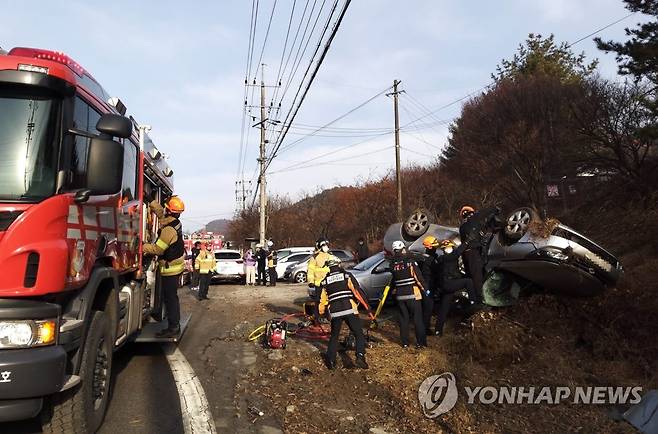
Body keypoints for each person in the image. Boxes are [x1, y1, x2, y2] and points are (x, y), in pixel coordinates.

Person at [143, 195, 186, 338]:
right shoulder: (174, 222)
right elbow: (161, 215)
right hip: (174, 266)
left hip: (170, 269)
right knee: (171, 297)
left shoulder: (168, 231)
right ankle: (174, 324)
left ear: (169, 210)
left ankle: (174, 327)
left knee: (170, 298)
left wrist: (141, 246)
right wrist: (151, 201)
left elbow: (158, 250)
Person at [318, 256, 368, 370]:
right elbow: (357, 292)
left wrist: (321, 313)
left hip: (335, 312)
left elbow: (322, 300)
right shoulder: (347, 276)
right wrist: (367, 307)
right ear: (338, 265)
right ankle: (360, 356)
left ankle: (331, 361)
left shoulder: (325, 281)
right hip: (350, 309)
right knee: (358, 334)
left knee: (334, 336)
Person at [458, 205, 503, 302]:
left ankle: (475, 298)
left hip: (467, 254)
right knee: (477, 277)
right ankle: (480, 300)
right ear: (470, 212)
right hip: (473, 253)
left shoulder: (463, 226)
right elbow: (484, 212)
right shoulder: (473, 218)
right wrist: (495, 208)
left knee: (473, 276)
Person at [434, 239, 479, 336]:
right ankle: (473, 302)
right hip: (450, 284)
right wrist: (466, 243)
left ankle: (438, 331)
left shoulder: (441, 259)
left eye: (449, 247)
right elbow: (458, 252)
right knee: (468, 282)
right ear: (444, 249)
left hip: (446, 286)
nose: (448, 249)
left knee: (444, 309)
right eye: (447, 248)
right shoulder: (449, 257)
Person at [390, 240, 427, 348]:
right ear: (402, 249)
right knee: (417, 320)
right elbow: (418, 278)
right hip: (413, 294)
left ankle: (405, 343)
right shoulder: (410, 262)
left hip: (400, 297)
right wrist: (426, 290)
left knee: (403, 320)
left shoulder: (392, 265)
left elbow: (393, 280)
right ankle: (421, 343)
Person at [420, 235, 441, 335]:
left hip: (430, 285)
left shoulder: (428, 258)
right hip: (428, 286)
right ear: (429, 247)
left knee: (428, 308)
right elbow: (434, 272)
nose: (436, 249)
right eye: (434, 247)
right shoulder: (428, 260)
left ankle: (425, 327)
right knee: (427, 308)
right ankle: (424, 329)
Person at [308, 238, 331, 321]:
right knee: (318, 301)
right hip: (319, 284)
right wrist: (311, 281)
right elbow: (310, 271)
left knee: (329, 301)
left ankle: (328, 317)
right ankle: (318, 318)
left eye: (326, 245)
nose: (326, 247)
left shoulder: (329, 256)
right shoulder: (314, 257)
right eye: (324, 245)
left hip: (329, 283)